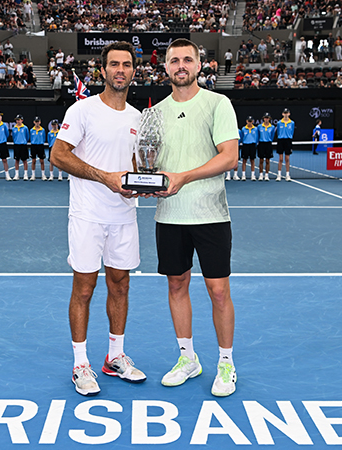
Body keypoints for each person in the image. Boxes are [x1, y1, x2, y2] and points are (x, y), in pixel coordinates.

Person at [49, 41, 146, 396]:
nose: (120, 70)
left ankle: (115, 357)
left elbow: (135, 169)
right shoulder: (82, 110)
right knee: (85, 288)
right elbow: (58, 155)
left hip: (124, 216)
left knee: (120, 284)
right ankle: (80, 363)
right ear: (103, 71)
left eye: (126, 65)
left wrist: (137, 185)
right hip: (88, 215)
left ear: (133, 71)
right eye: (114, 65)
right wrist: (104, 176)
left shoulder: (138, 118)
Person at [151, 38, 240, 397]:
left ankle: (226, 362)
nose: (181, 65)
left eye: (188, 59)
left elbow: (229, 157)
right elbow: (149, 163)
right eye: (175, 60)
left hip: (210, 214)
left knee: (218, 291)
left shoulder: (219, 104)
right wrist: (143, 177)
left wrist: (184, 177)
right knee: (176, 285)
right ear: (166, 68)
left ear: (199, 66)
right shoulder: (154, 113)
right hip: (170, 214)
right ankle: (188, 358)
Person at [236, 116, 258, 181]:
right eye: (249, 121)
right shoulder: (243, 129)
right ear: (246, 121)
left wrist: (255, 144)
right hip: (245, 145)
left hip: (252, 145)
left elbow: (256, 137)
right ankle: (243, 175)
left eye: (251, 121)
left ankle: (253, 175)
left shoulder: (255, 129)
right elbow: (242, 137)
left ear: (253, 122)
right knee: (244, 160)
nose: (250, 122)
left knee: (252, 160)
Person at [276, 108, 295, 181]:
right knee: (280, 159)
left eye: (287, 113)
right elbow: (278, 132)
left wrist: (289, 137)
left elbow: (292, 132)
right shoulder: (279, 123)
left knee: (287, 159)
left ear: (289, 114)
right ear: (282, 114)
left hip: (288, 141)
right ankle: (279, 175)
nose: (286, 114)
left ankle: (287, 175)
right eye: (284, 113)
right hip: (281, 140)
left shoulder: (292, 123)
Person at [257, 112, 275, 181]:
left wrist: (269, 140)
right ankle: (261, 175)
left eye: (267, 118)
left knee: (267, 161)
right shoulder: (259, 126)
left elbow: (272, 136)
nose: (266, 119)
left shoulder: (272, 127)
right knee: (261, 160)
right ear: (263, 119)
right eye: (265, 118)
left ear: (269, 119)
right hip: (261, 144)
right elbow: (258, 135)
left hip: (268, 144)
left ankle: (266, 175)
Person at [11, 114, 30, 180]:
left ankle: (25, 174)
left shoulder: (25, 128)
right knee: (17, 160)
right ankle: (16, 175)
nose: (17, 121)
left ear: (22, 120)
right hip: (16, 145)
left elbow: (27, 137)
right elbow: (13, 137)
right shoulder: (14, 128)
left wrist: (23, 141)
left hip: (23, 145)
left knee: (24, 160)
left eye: (19, 120)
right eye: (16, 120)